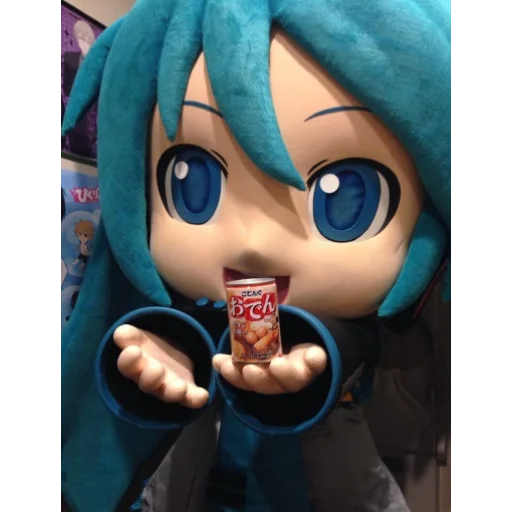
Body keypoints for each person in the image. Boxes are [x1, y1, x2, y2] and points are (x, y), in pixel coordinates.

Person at [60, 1, 453, 511]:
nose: (255, 243)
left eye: (345, 198)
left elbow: (370, 344)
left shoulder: (359, 338)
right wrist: (174, 348)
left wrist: (320, 353)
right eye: (191, 182)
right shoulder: (173, 304)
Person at [62, 20, 96, 157]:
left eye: (87, 37)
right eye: (80, 37)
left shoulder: (99, 66)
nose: (84, 41)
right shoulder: (68, 58)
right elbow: (65, 89)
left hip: (92, 125)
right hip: (74, 120)